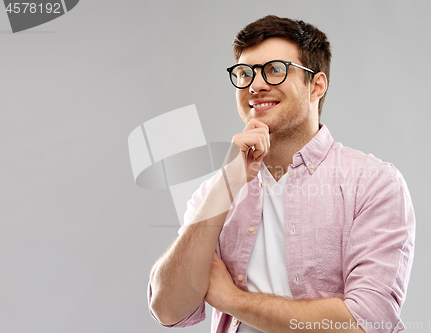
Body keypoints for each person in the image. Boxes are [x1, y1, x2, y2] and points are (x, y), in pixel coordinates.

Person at [148, 15, 415, 333]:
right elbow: (167, 308)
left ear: (316, 85)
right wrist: (227, 183)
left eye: (274, 70)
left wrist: (232, 300)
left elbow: (365, 323)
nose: (255, 85)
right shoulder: (217, 190)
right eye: (245, 73)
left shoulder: (372, 184)